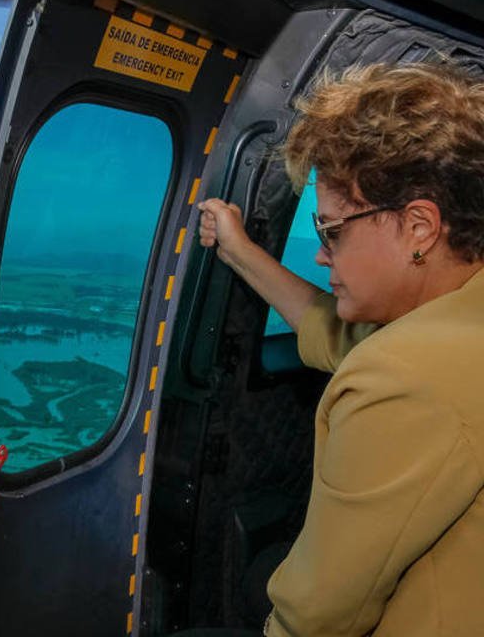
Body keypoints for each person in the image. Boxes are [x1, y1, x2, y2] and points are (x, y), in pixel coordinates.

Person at [198, 62, 484, 636]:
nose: (324, 255)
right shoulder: (456, 318)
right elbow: (341, 333)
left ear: (420, 228)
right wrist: (240, 252)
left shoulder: (404, 377)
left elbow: (319, 616)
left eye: (334, 232)